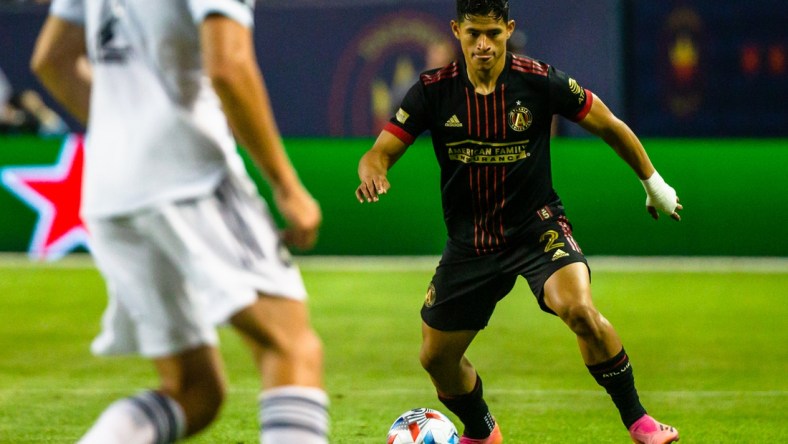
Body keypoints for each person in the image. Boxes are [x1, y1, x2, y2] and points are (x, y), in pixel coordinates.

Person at [355, 1, 681, 443]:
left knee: (580, 310)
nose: (484, 44)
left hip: (537, 229)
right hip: (471, 243)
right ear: (457, 31)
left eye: (493, 33)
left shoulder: (541, 80)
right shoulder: (433, 91)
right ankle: (482, 428)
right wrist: (374, 170)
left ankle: (639, 422)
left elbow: (609, 125)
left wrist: (654, 184)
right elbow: (380, 151)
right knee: (437, 360)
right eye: (473, 34)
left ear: (509, 29)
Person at [30, 1, 329, 443]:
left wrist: (128, 136)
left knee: (194, 392)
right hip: (189, 175)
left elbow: (51, 60)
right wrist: (287, 184)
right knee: (291, 347)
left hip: (110, 187)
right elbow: (228, 66)